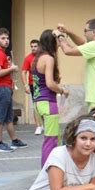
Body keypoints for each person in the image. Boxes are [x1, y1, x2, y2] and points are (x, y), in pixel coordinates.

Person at [56, 18, 95, 110]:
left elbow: (68, 51)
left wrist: (59, 36)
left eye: (85, 31)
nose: (84, 33)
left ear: (94, 32)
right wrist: (68, 32)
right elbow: (82, 43)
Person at [33, 30, 69, 166]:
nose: (60, 42)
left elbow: (42, 80)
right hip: (48, 102)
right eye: (58, 40)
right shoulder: (49, 58)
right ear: (52, 41)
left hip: (39, 102)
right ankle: (47, 171)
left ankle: (50, 169)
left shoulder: (38, 57)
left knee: (53, 137)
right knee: (51, 139)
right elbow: (49, 83)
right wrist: (62, 90)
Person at [0, 27, 28, 152]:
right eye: (3, 38)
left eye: (7, 38)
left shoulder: (1, 53)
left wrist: (8, 68)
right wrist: (12, 68)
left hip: (5, 88)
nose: (6, 40)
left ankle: (14, 140)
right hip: (1, 88)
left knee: (8, 117)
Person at [21, 39, 43, 135]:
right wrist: (25, 85)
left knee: (44, 105)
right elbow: (23, 72)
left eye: (35, 46)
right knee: (36, 105)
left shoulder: (43, 57)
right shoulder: (28, 58)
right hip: (33, 84)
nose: (33, 48)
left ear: (39, 47)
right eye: (32, 46)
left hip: (44, 84)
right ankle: (38, 126)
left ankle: (45, 125)